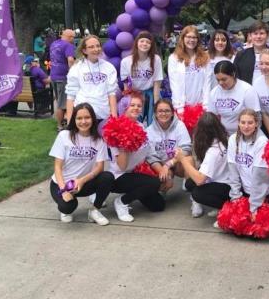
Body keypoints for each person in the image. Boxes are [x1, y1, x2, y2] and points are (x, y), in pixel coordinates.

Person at [48, 103, 114, 225]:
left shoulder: (99, 140)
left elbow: (100, 167)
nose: (83, 121)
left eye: (87, 117)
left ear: (93, 119)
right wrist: (64, 190)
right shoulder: (64, 136)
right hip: (62, 183)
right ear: (74, 119)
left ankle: (95, 210)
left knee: (107, 177)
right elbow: (57, 166)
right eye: (79, 118)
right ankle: (66, 210)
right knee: (68, 207)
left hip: (83, 184)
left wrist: (82, 180)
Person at [109, 93, 166, 222]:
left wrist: (162, 169)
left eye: (139, 106)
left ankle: (136, 191)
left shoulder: (141, 126)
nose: (136, 108)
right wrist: (124, 144)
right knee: (154, 183)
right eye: (132, 105)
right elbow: (122, 166)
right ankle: (122, 202)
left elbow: (148, 153)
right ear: (124, 107)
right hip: (119, 176)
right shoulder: (116, 128)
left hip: (136, 173)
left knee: (158, 205)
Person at [227, 109, 269, 221]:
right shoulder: (233, 140)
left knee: (259, 230)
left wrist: (254, 208)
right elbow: (233, 172)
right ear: (238, 123)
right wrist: (235, 199)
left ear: (257, 124)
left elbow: (260, 178)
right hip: (248, 192)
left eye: (250, 123)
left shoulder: (262, 142)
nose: (246, 126)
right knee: (238, 227)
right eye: (243, 122)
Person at [145, 99, 198, 215]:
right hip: (161, 165)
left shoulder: (179, 126)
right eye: (160, 111)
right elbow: (151, 157)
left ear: (172, 112)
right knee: (163, 179)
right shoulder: (149, 131)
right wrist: (164, 171)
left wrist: (169, 164)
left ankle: (195, 198)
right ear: (155, 113)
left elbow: (186, 149)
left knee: (189, 160)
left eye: (167, 111)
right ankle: (163, 189)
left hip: (177, 162)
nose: (163, 114)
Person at [176, 112, 231, 216]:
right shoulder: (225, 139)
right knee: (189, 184)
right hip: (226, 179)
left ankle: (226, 209)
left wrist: (182, 159)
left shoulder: (213, 151)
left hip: (226, 185)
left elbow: (200, 180)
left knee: (198, 193)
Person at [65, 35, 118, 124]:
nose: (96, 49)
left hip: (103, 115)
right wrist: (70, 122)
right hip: (83, 117)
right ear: (84, 50)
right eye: (91, 47)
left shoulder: (109, 68)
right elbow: (70, 96)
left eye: (98, 46)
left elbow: (111, 94)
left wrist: (114, 118)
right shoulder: (76, 68)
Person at [207, 61, 261, 135]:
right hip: (224, 133)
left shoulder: (247, 90)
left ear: (233, 74)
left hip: (246, 133)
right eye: (218, 80)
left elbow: (256, 117)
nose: (220, 83)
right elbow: (212, 117)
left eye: (224, 79)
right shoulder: (214, 92)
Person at [120, 31, 163, 124]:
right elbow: (126, 84)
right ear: (137, 43)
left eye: (148, 42)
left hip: (151, 93)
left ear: (151, 45)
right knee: (134, 121)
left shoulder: (156, 59)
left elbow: (157, 81)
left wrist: (155, 103)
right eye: (142, 41)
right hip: (135, 95)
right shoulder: (126, 61)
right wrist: (128, 102)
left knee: (153, 121)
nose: (145, 44)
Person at [168, 25, 210, 114]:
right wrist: (179, 106)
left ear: (198, 40)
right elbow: (174, 84)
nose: (191, 40)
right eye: (188, 37)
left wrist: (206, 104)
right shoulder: (174, 58)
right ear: (183, 38)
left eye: (194, 37)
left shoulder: (205, 57)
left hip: (201, 105)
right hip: (182, 106)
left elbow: (207, 82)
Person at [49, 29, 76, 131]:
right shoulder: (68, 45)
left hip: (53, 75)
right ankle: (60, 126)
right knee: (62, 103)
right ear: (69, 37)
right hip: (63, 77)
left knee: (58, 100)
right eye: (73, 37)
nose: (73, 39)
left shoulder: (54, 44)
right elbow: (70, 59)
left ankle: (63, 120)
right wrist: (72, 72)